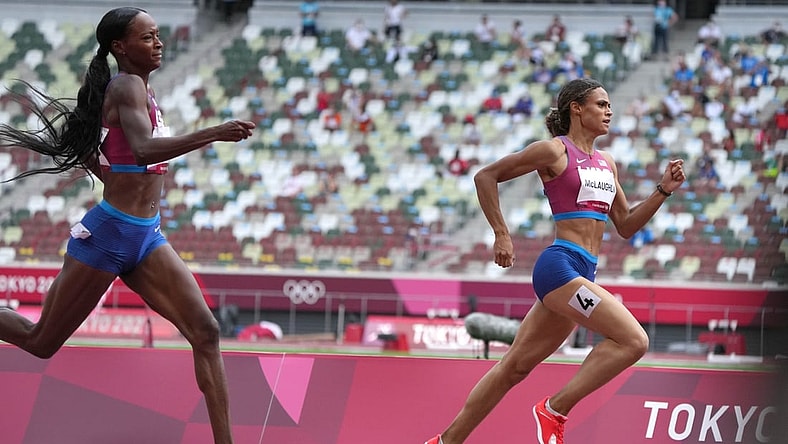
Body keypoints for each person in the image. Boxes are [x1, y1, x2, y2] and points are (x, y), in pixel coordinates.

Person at [0, 7, 255, 444]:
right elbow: (141, 150)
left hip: (146, 234)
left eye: (158, 35)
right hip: (110, 235)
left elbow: (103, 154)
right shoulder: (126, 85)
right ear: (120, 47)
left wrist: (117, 182)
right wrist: (214, 132)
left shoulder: (139, 90)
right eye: (148, 36)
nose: (158, 42)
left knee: (206, 332)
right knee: (41, 341)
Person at [424, 78, 685, 444]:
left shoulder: (607, 163)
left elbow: (625, 225)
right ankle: (555, 408)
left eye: (610, 105)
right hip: (560, 268)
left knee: (513, 368)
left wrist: (662, 192)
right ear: (576, 109)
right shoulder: (553, 152)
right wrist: (501, 232)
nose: (609, 111)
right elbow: (486, 176)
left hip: (582, 272)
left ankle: (444, 441)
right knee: (633, 340)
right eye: (601, 104)